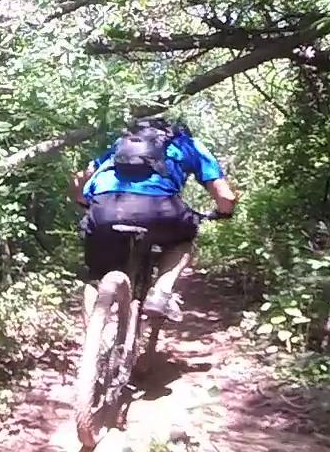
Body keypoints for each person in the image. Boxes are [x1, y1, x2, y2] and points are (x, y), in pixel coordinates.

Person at [72, 116, 237, 323]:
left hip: (105, 209)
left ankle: (92, 339)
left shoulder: (120, 144)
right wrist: (223, 213)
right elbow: (226, 197)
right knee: (183, 242)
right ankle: (161, 293)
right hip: (161, 210)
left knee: (96, 277)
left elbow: (81, 177)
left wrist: (84, 202)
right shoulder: (187, 144)